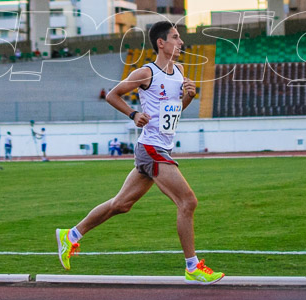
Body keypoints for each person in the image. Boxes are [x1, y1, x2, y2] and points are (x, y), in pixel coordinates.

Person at [55, 21, 224, 284]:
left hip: (160, 147)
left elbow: (174, 112)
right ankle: (193, 267)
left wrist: (189, 97)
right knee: (188, 202)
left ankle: (71, 235)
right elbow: (113, 95)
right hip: (151, 148)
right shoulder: (146, 73)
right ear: (161, 43)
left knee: (121, 205)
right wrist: (133, 114)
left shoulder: (180, 70)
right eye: (176, 38)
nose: (181, 43)